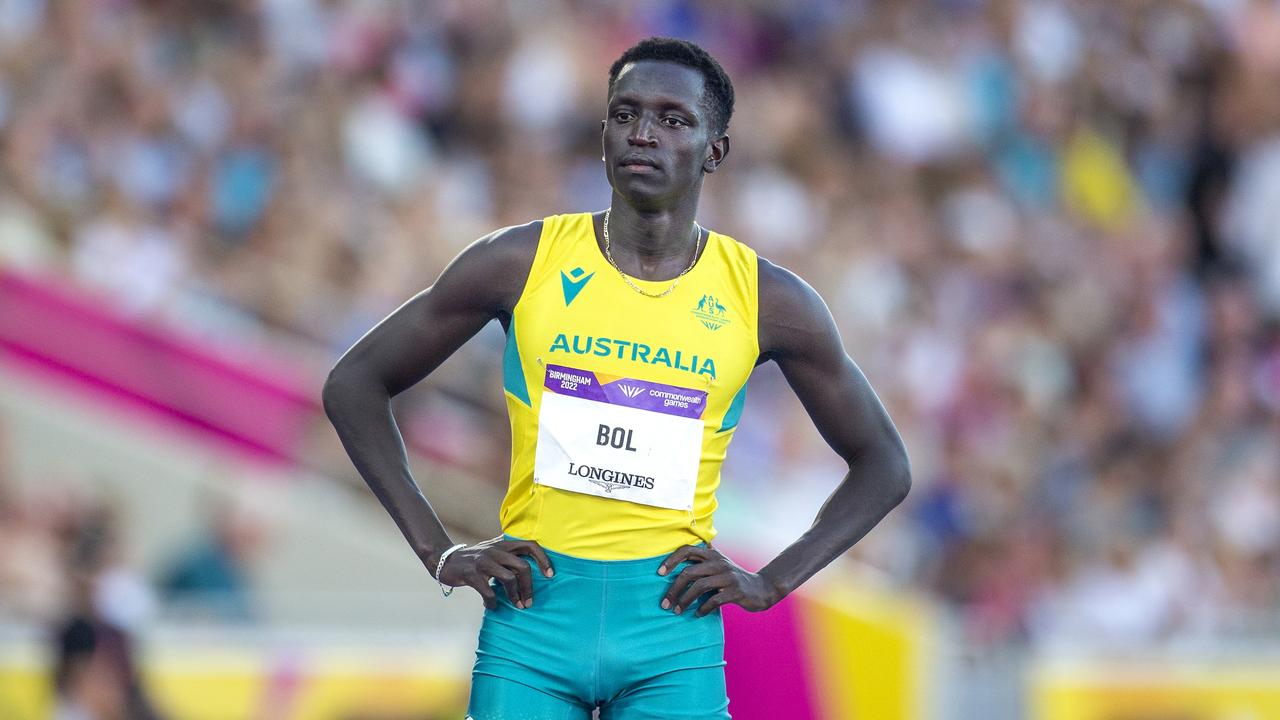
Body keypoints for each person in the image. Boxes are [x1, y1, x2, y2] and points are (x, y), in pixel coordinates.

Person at [323, 37, 911, 720]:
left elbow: (884, 466)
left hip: (670, 631)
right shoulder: (518, 262)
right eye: (625, 113)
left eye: (672, 119)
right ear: (602, 135)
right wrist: (439, 549)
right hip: (533, 621)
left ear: (714, 150)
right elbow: (354, 385)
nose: (643, 133)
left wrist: (771, 582)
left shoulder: (768, 300)